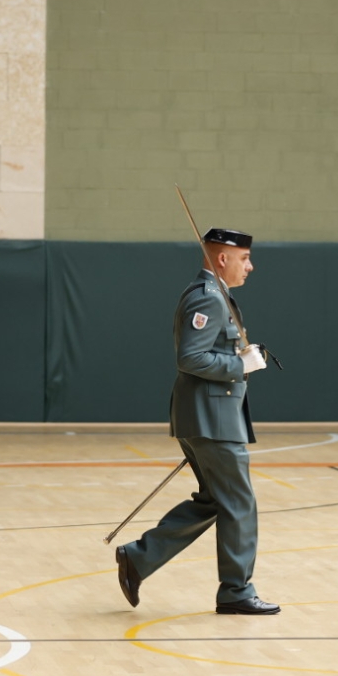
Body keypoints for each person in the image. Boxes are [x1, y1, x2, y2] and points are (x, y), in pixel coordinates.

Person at [115, 227, 279, 615]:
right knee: (239, 502)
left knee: (214, 500)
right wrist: (239, 364)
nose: (250, 266)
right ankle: (236, 591)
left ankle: (139, 557)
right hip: (213, 417)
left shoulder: (214, 294)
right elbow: (190, 357)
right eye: (244, 258)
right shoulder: (208, 297)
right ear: (222, 258)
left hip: (206, 414)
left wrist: (240, 358)